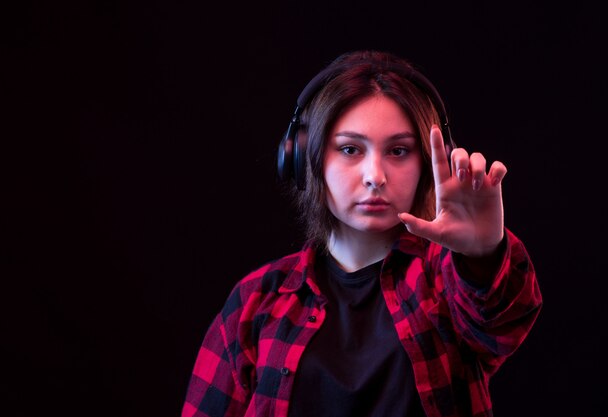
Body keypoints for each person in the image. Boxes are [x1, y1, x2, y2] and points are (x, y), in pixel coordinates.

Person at [180, 50, 542, 417]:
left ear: (431, 163)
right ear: (306, 158)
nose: (375, 176)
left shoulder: (445, 281)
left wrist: (483, 256)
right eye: (350, 149)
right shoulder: (256, 301)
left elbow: (500, 327)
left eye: (398, 151)